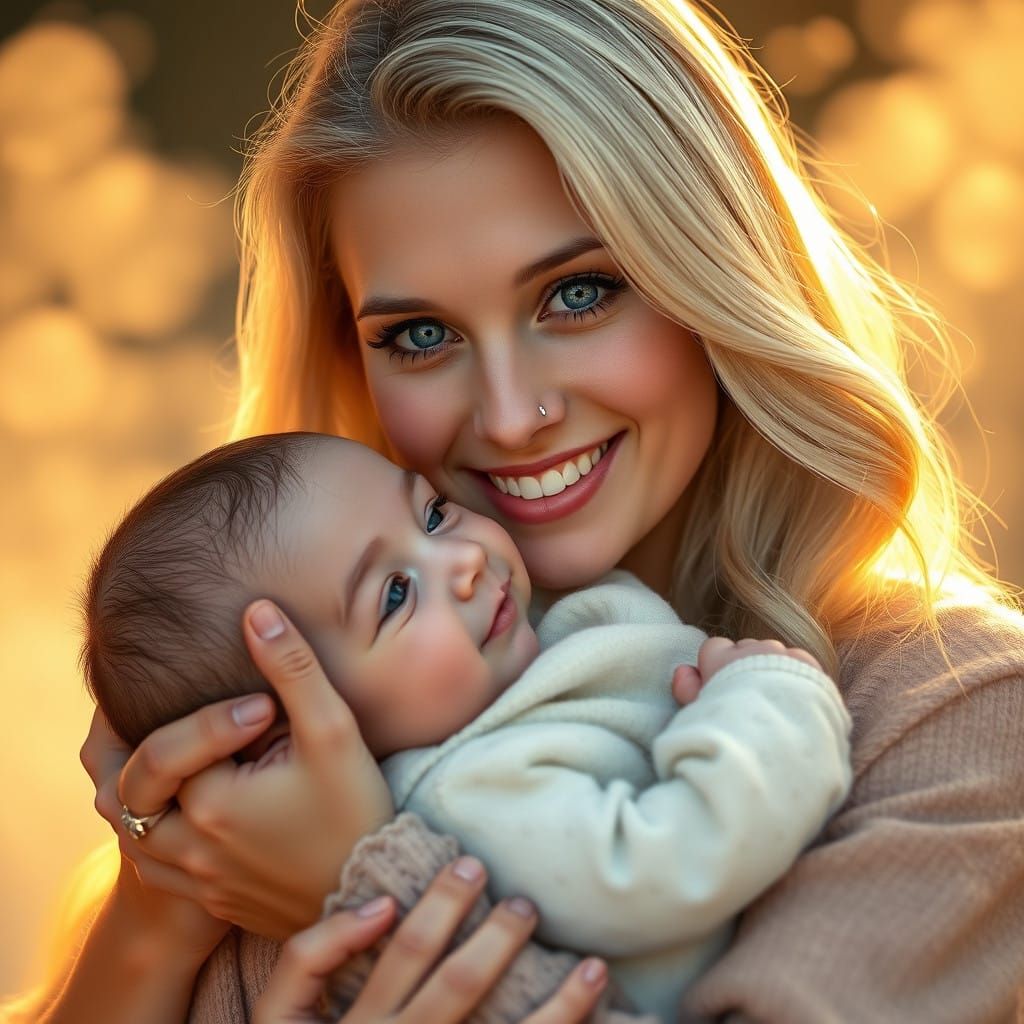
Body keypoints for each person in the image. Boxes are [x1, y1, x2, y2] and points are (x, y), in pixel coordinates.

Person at [25, 0, 1024, 1021]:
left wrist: (367, 893)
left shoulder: (957, 706)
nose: (509, 418)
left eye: (579, 294)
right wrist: (159, 912)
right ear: (348, 357)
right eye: (420, 335)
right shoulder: (294, 746)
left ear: (714, 272)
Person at [83, 430, 851, 1019]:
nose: (463, 560)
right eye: (393, 596)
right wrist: (772, 692)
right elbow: (678, 856)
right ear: (304, 744)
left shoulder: (524, 657)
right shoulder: (473, 795)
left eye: (433, 513)